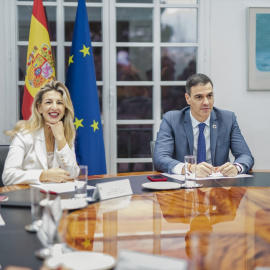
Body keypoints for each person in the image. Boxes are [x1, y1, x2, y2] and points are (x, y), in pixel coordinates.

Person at [154, 73, 254, 177]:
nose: (206, 102)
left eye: (209, 96)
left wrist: (236, 167)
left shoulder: (228, 119)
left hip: (219, 185)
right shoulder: (171, 120)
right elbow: (160, 158)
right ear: (188, 99)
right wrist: (189, 168)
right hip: (185, 185)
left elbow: (245, 155)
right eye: (199, 97)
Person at [2, 81, 79, 185]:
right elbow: (8, 176)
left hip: (57, 197)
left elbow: (72, 174)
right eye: (48, 102)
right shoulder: (25, 134)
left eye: (60, 103)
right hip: (29, 197)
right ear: (39, 108)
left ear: (65, 110)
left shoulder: (68, 133)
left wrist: (61, 139)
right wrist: (44, 175)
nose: (55, 107)